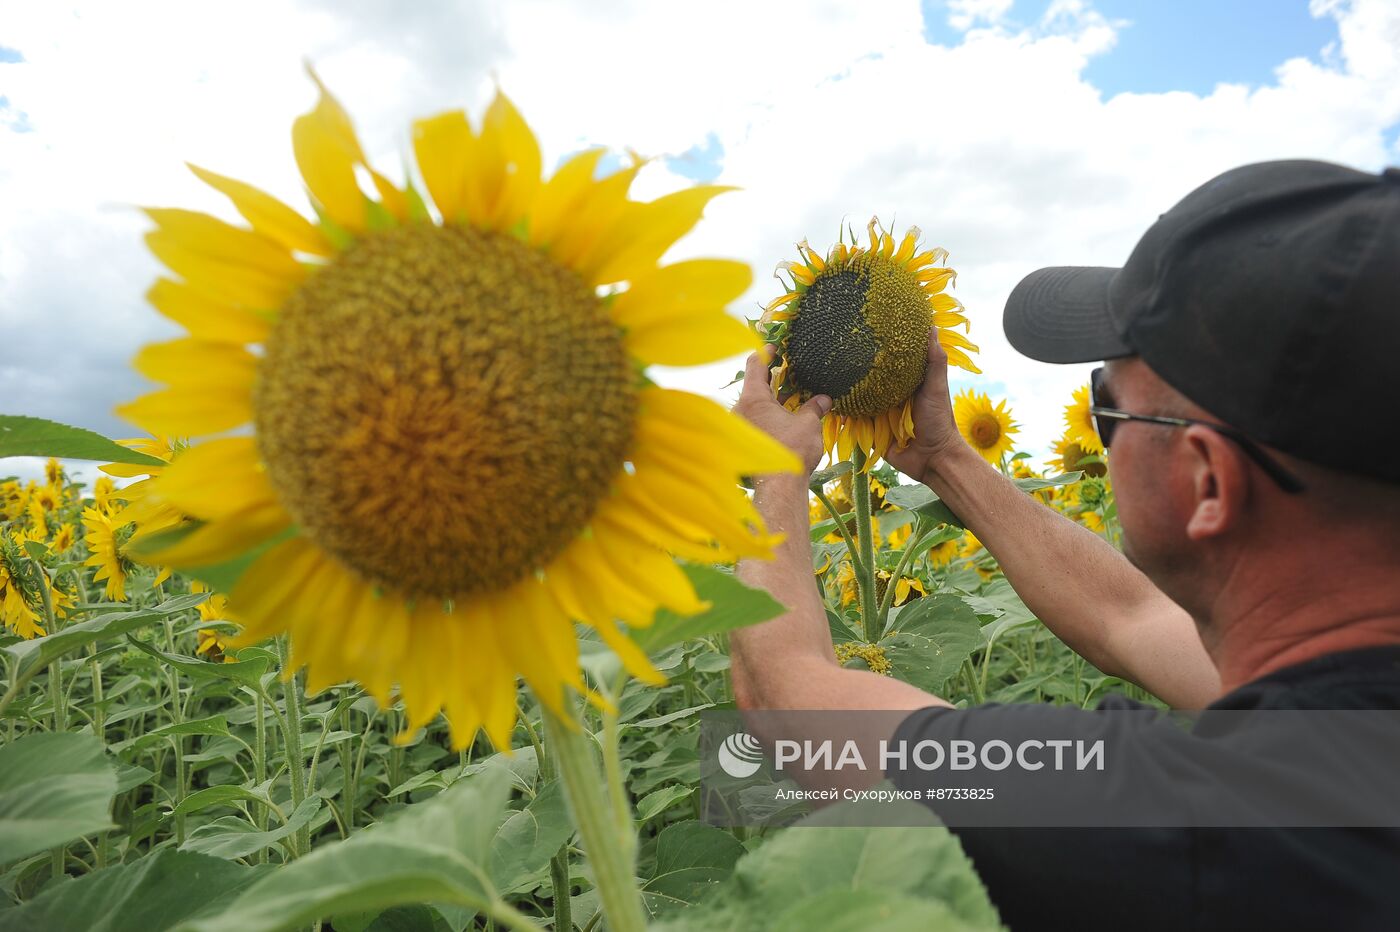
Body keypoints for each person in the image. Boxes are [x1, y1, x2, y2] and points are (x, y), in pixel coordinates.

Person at [728, 160, 1400, 931]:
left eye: (1106, 406)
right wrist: (944, 456)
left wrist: (776, 481)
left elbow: (781, 709)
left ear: (1209, 482)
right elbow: (1132, 618)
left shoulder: (1178, 828)